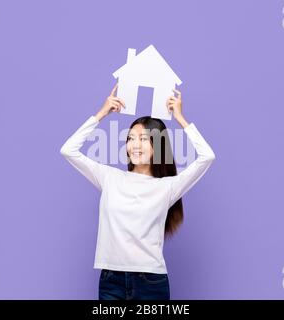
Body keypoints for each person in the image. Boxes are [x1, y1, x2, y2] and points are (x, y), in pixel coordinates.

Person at [60, 84, 216, 300]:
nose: (135, 145)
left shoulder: (167, 187)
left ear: (157, 145)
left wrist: (180, 118)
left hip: (151, 282)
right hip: (110, 280)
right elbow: (68, 150)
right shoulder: (109, 178)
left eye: (143, 139)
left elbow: (207, 157)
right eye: (131, 138)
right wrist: (102, 113)